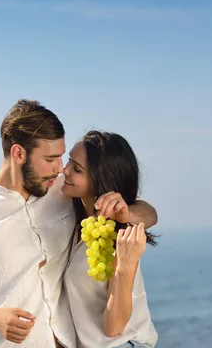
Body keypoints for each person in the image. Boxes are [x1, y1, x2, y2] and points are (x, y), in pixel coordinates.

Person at [0, 99, 158, 347]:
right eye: (51, 158)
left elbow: (145, 210)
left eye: (62, 158)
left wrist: (127, 216)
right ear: (18, 153)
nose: (59, 169)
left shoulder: (64, 191)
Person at [61, 130, 159, 348]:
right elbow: (149, 211)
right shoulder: (84, 223)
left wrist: (126, 266)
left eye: (76, 169)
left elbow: (113, 328)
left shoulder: (115, 239)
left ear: (99, 180)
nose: (64, 170)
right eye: (69, 161)